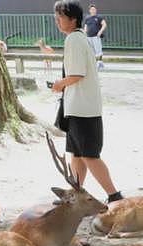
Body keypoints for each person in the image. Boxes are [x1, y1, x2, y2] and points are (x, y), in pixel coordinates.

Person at [52, 0, 123, 203]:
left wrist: (59, 84)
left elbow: (76, 74)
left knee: (89, 155)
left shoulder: (73, 40)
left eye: (61, 17)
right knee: (77, 153)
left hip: (82, 108)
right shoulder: (80, 38)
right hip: (81, 107)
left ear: (72, 19)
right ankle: (76, 193)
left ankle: (114, 195)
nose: (57, 21)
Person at [84, 4, 106, 71]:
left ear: (96, 10)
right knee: (91, 51)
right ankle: (94, 64)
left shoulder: (99, 17)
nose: (93, 10)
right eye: (92, 9)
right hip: (89, 37)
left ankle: (100, 64)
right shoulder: (87, 18)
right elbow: (85, 27)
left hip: (96, 36)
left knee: (98, 50)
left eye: (94, 9)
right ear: (89, 10)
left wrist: (100, 32)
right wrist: (84, 33)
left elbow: (104, 24)